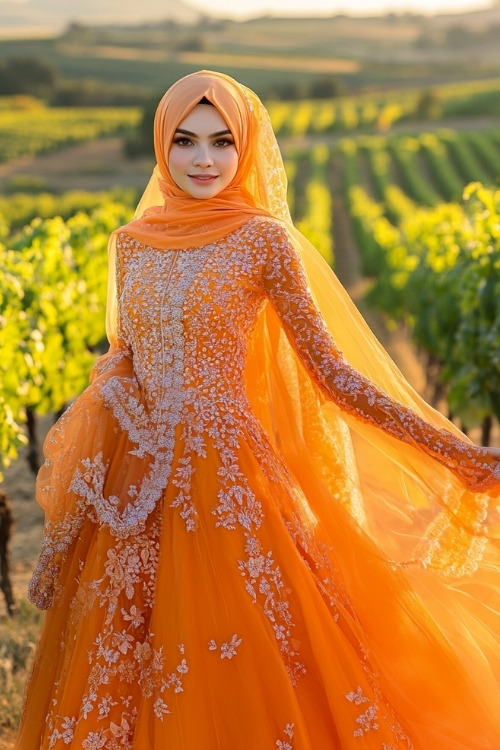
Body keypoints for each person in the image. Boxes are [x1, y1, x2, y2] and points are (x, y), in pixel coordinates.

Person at [15, 70, 500, 749]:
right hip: (136, 488)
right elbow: (120, 364)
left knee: (256, 661)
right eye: (185, 141)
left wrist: (455, 453)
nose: (204, 160)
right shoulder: (130, 244)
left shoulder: (262, 241)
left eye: (222, 142)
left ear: (246, 149)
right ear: (163, 145)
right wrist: (74, 508)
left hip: (231, 483)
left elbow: (334, 375)